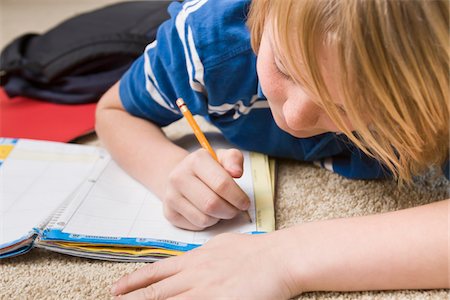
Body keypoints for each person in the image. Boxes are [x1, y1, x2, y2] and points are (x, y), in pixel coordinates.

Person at [95, 0, 449, 298]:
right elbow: (114, 111)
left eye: (344, 106)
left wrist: (283, 257)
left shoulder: (437, 84)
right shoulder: (205, 43)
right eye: (285, 67)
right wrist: (168, 170)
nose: (295, 117)